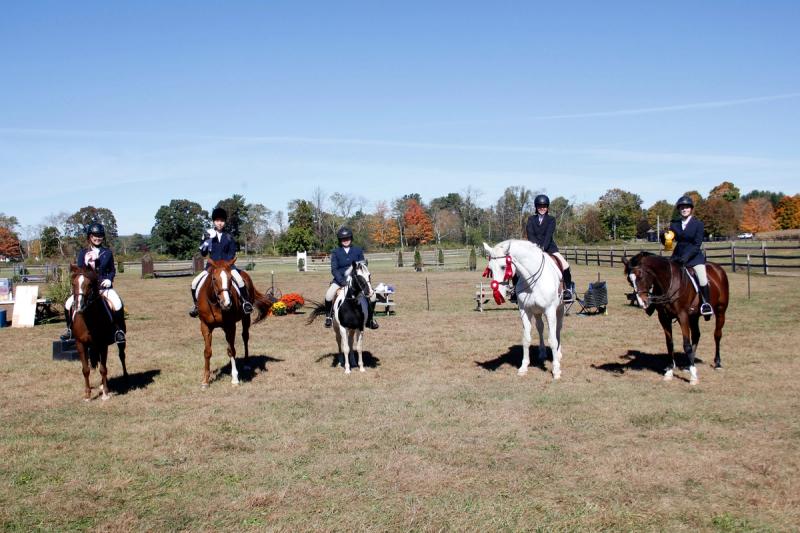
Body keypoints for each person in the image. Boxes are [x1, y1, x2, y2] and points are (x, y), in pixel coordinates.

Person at [61, 223, 126, 343]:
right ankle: (69, 329)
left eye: (100, 235)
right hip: (88, 288)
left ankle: (118, 331)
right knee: (68, 303)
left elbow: (112, 270)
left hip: (104, 287)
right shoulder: (83, 253)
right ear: (90, 237)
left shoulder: (107, 252)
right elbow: (80, 270)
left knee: (117, 303)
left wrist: (109, 279)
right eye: (95, 235)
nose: (98, 238)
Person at [188, 207, 253, 317]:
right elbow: (203, 253)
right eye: (217, 220)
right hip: (211, 267)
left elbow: (232, 253)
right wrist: (205, 240)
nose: (220, 223)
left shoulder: (229, 237)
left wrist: (225, 264)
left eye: (222, 221)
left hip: (227, 266)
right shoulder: (208, 235)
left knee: (240, 280)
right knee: (194, 282)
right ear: (214, 221)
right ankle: (196, 306)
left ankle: (245, 303)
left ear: (224, 222)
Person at [664, 195, 713, 316]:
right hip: (677, 256)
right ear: (679, 209)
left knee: (702, 278)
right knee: (665, 275)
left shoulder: (698, 224)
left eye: (686, 207)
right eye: (681, 208)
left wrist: (686, 257)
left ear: (691, 209)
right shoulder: (674, 224)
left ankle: (706, 304)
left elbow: (697, 244)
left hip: (694, 257)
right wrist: (664, 238)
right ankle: (657, 304)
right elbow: (670, 241)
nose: (684, 209)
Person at [323, 227, 379, 329]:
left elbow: (363, 267)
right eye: (343, 239)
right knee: (328, 295)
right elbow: (334, 269)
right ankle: (329, 317)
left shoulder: (358, 250)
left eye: (347, 238)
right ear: (340, 240)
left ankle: (370, 319)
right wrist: (341, 281)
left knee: (373, 296)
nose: (345, 240)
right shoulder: (335, 252)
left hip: (356, 281)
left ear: (351, 238)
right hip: (340, 280)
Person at [525, 194, 574, 302]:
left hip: (550, 248)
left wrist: (543, 247)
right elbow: (530, 234)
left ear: (547, 207)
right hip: (534, 249)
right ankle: (516, 290)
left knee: (565, 265)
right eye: (540, 206)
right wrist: (536, 248)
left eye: (544, 206)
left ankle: (568, 290)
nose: (542, 208)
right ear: (536, 207)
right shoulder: (531, 219)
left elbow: (548, 235)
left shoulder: (551, 219)